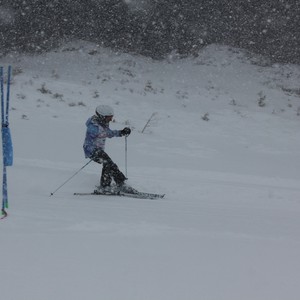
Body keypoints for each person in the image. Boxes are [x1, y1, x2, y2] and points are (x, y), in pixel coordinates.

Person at [83, 105, 132, 193]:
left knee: (111, 164)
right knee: (107, 163)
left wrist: (121, 132)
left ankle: (121, 183)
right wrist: (94, 152)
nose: (111, 119)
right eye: (109, 117)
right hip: (91, 150)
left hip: (98, 150)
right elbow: (103, 134)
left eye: (111, 117)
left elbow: (108, 133)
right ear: (102, 116)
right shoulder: (93, 127)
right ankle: (105, 187)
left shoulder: (102, 123)